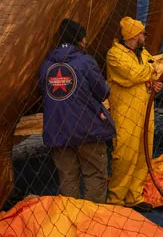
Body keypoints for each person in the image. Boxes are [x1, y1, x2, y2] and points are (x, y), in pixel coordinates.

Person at [39, 19, 115, 204]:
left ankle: (70, 221)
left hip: (57, 130)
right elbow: (102, 91)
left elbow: (43, 89)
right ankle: (91, 222)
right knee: (95, 174)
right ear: (80, 40)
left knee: (67, 178)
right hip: (87, 129)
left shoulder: (47, 64)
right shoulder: (85, 61)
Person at [106, 16, 162, 211]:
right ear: (132, 35)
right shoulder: (115, 55)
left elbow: (146, 73)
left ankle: (134, 196)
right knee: (125, 155)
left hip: (146, 111)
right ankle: (116, 199)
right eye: (140, 33)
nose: (143, 36)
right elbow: (132, 76)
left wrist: (153, 82)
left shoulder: (142, 53)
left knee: (142, 154)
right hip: (126, 113)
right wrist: (149, 71)